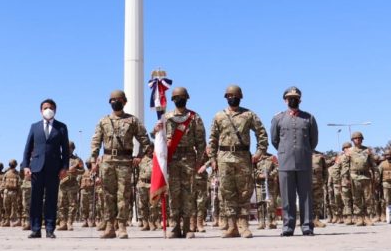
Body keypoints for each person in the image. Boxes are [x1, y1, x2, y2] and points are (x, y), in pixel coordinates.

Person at [208, 84, 269, 238]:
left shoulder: (249, 115)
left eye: (234, 95)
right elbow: (213, 139)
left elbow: (262, 133)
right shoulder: (219, 116)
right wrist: (212, 159)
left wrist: (260, 152)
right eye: (229, 96)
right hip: (224, 158)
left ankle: (243, 225)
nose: (231, 98)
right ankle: (231, 226)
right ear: (225, 98)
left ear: (240, 97)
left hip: (242, 157)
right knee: (227, 192)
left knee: (244, 191)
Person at [89, 89, 151, 239]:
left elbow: (145, 140)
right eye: (112, 100)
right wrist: (93, 161)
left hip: (125, 161)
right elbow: (96, 141)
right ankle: (109, 226)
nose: (115, 102)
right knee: (108, 195)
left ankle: (122, 226)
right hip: (108, 161)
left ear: (124, 102)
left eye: (118, 100)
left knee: (123, 194)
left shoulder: (133, 121)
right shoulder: (103, 121)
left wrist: (140, 156)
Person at [157, 85, 206, 238]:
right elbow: (157, 138)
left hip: (189, 159)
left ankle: (187, 227)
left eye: (182, 97)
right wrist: (156, 129)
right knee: (173, 193)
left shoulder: (194, 117)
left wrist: (199, 161)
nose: (179, 100)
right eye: (176, 98)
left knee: (188, 193)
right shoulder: (166, 118)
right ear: (172, 100)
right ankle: (175, 227)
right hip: (172, 159)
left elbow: (201, 142)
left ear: (187, 98)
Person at [270, 86, 318, 236]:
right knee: (287, 195)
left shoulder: (308, 118)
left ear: (300, 100)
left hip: (304, 160)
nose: (293, 100)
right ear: (285, 100)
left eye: (295, 98)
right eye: (290, 98)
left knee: (305, 195)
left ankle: (307, 226)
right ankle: (288, 226)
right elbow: (274, 139)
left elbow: (313, 140)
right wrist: (285, 151)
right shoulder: (278, 118)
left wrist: (304, 150)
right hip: (285, 161)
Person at [23, 98, 71, 238]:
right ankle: (35, 229)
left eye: (50, 107)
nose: (47, 110)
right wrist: (26, 166)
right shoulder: (34, 126)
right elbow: (27, 148)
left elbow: (65, 150)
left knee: (51, 199)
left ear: (55, 110)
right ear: (40, 110)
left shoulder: (61, 127)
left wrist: (64, 167)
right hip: (37, 168)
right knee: (35, 200)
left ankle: (50, 229)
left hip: (54, 168)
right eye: (45, 108)